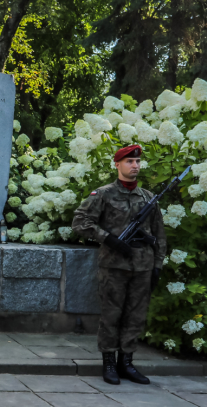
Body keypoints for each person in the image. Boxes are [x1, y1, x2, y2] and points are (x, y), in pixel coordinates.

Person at [71, 144, 166, 385]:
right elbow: (80, 222)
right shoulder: (103, 194)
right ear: (117, 164)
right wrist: (109, 239)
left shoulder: (148, 197)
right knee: (111, 315)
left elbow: (159, 234)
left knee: (135, 316)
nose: (135, 166)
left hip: (142, 266)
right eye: (129, 162)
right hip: (114, 266)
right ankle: (109, 363)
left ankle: (127, 362)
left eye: (137, 162)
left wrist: (157, 264)